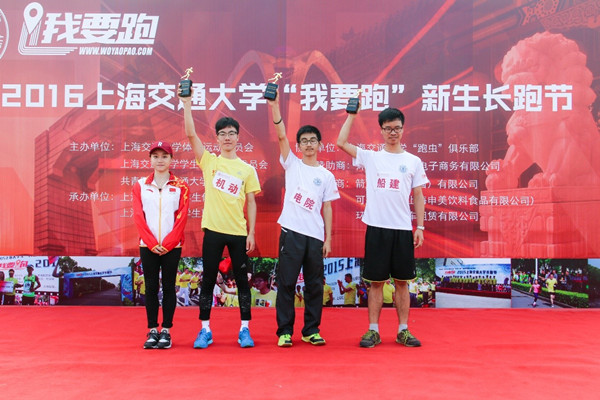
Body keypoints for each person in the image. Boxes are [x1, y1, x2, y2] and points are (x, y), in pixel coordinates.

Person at [337, 106, 428, 348]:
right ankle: (373, 330)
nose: (393, 132)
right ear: (381, 130)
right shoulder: (372, 157)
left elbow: (418, 195)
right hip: (376, 228)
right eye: (388, 128)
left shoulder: (413, 161)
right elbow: (341, 142)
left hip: (402, 230)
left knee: (402, 282)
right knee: (375, 283)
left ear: (403, 129)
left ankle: (403, 331)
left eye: (397, 128)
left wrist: (420, 226)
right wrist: (352, 116)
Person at [180, 89, 261, 349]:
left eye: (231, 133)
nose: (227, 137)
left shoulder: (247, 169)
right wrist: (187, 104)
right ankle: (205, 330)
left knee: (242, 282)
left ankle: (245, 329)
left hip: (238, 233)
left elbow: (251, 202)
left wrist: (251, 232)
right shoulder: (209, 162)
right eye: (223, 133)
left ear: (238, 137)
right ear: (217, 138)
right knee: (208, 280)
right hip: (213, 231)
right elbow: (191, 134)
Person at [267, 91, 339, 347]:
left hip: (315, 237)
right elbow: (281, 135)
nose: (309, 144)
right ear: (298, 146)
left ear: (320, 145)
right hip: (292, 233)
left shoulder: (327, 176)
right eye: (304, 141)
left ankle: (311, 330)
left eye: (313, 141)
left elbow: (327, 208)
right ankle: (285, 331)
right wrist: (275, 106)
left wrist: (328, 239)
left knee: (314, 285)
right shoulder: (292, 164)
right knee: (287, 283)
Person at [133, 141, 190, 349]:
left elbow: (182, 217)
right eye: (156, 156)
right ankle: (152, 330)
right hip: (147, 246)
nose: (160, 160)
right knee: (150, 287)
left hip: (172, 247)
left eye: (164, 156)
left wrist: (168, 243)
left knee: (168, 287)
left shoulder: (181, 186)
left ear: (171, 159)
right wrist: (150, 242)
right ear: (150, 159)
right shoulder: (140, 185)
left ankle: (166, 330)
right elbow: (138, 216)